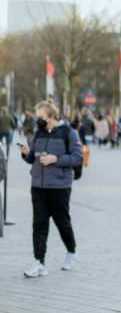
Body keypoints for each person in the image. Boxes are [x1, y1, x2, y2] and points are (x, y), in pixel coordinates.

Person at [19, 100, 83, 278]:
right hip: (38, 185)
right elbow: (33, 157)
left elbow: (78, 158)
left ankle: (71, 250)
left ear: (52, 116)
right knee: (39, 224)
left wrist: (56, 159)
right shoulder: (39, 133)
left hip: (59, 186)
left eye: (41, 117)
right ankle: (39, 262)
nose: (37, 120)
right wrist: (26, 153)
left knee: (62, 221)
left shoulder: (68, 133)